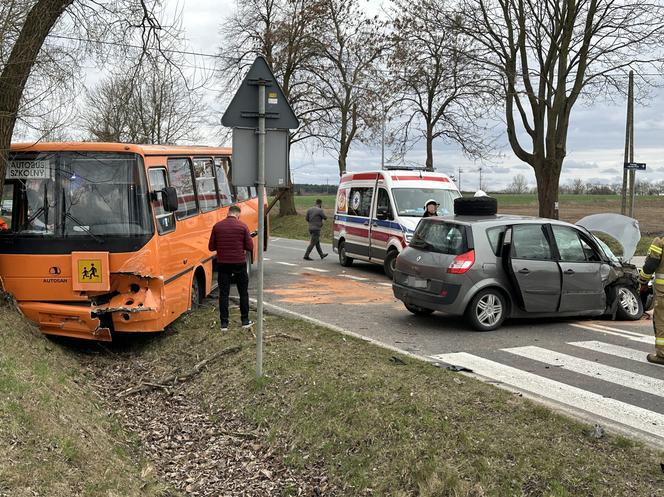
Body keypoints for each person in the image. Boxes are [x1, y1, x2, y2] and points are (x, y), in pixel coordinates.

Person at [208, 205, 254, 331]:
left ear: (228, 213)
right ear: (238, 215)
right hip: (239, 263)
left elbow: (211, 247)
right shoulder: (243, 226)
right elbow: (250, 246)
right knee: (243, 292)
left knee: (224, 294)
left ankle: (224, 324)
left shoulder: (217, 226)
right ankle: (245, 320)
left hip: (223, 264)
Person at [638, 237, 664, 365]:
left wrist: (642, 281)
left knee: (661, 322)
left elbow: (650, 266)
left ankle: (662, 355)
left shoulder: (660, 242)